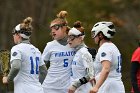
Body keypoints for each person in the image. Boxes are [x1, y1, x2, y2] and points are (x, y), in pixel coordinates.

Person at [2, 17, 47, 93]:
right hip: (39, 90)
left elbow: (16, 66)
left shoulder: (17, 48)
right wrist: (36, 85)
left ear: (18, 35)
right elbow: (44, 72)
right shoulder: (36, 50)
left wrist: (8, 79)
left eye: (14, 34)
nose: (13, 36)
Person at [42, 11, 75, 93]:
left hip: (67, 88)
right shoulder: (50, 45)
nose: (53, 31)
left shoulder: (74, 44)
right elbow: (41, 66)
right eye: (51, 28)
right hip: (49, 87)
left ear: (64, 28)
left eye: (56, 27)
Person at [89, 21, 125, 93]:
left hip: (108, 87)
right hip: (115, 86)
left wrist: (96, 87)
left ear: (100, 35)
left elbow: (106, 69)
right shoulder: (112, 46)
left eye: (94, 34)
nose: (93, 37)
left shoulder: (105, 48)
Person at [67, 21, 95, 93]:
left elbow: (91, 74)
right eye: (68, 37)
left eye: (71, 37)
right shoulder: (77, 52)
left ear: (80, 38)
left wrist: (75, 85)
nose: (68, 40)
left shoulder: (84, 53)